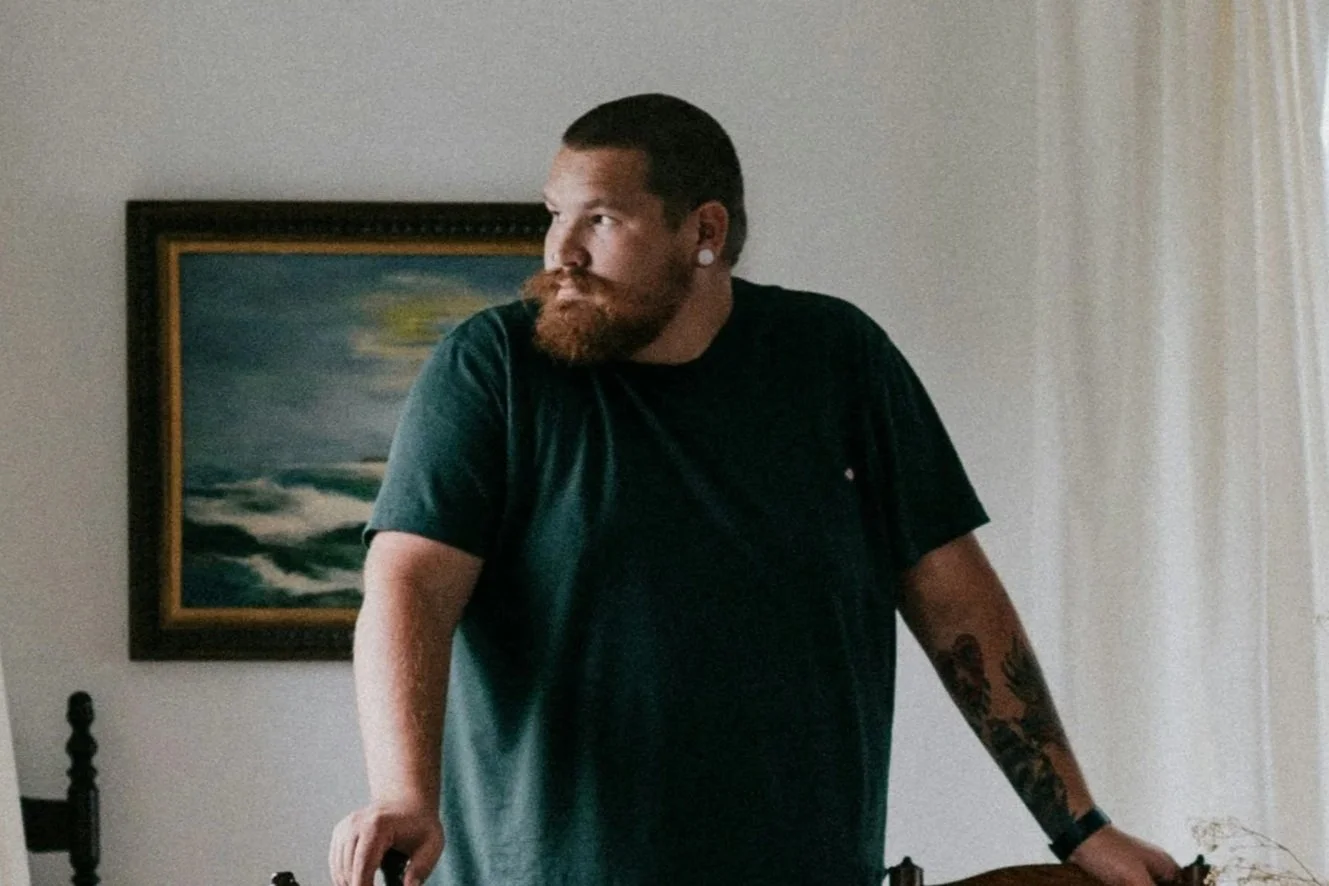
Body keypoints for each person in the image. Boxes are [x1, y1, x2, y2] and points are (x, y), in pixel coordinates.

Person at [329, 93, 1180, 886]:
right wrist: (404, 795)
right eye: (556, 215)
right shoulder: (493, 366)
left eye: (602, 218)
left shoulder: (837, 359)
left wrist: (1078, 827)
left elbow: (952, 594)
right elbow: (411, 586)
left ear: (703, 229)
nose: (562, 253)